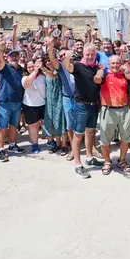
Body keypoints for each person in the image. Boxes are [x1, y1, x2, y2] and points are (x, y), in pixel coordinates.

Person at [63, 43, 106, 178]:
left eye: (92, 54)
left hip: (94, 105)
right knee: (78, 135)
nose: (90, 56)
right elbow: (68, 67)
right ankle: (78, 164)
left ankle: (89, 157)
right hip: (81, 105)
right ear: (83, 54)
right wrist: (67, 58)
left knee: (91, 132)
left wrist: (100, 77)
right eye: (87, 54)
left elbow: (98, 83)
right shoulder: (77, 66)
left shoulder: (97, 69)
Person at [98, 55, 130, 175]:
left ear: (121, 64)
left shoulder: (125, 76)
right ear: (109, 64)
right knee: (105, 140)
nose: (115, 65)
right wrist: (98, 76)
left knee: (125, 138)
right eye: (112, 63)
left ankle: (122, 160)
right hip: (108, 110)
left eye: (117, 63)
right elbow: (97, 81)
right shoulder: (104, 75)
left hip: (124, 110)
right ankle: (107, 161)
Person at [0, 41, 26, 162]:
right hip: (5, 102)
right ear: (7, 57)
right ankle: (1, 149)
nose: (14, 57)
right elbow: (0, 59)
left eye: (16, 55)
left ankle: (12, 145)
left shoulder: (21, 70)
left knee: (14, 126)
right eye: (12, 55)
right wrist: (0, 49)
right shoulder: (5, 67)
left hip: (17, 102)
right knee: (2, 127)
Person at [49, 45, 75, 157]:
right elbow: (52, 59)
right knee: (70, 126)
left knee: (83, 125)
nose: (63, 57)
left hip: (80, 99)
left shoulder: (78, 64)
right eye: (61, 56)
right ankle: (74, 149)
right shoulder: (60, 67)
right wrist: (50, 47)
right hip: (67, 98)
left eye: (65, 54)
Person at [22, 54, 49, 154]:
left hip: (43, 104)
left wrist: (40, 69)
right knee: (33, 126)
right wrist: (35, 71)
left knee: (45, 124)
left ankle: (50, 140)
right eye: (28, 67)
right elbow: (26, 85)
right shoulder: (25, 77)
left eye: (32, 66)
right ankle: (35, 144)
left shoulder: (43, 76)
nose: (30, 68)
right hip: (30, 105)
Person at [44, 40, 68, 155]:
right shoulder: (46, 72)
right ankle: (57, 144)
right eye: (47, 62)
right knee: (53, 123)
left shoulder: (58, 71)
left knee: (61, 122)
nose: (49, 63)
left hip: (59, 99)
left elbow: (53, 76)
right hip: (49, 101)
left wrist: (43, 69)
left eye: (50, 61)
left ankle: (64, 145)